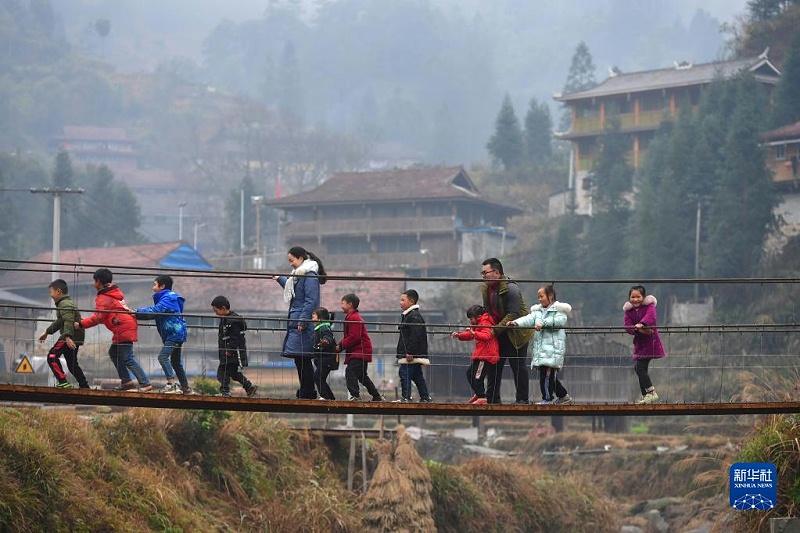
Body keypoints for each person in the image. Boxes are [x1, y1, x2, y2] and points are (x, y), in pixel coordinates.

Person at [77, 268, 152, 392]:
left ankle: (145, 383)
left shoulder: (104, 297)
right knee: (114, 353)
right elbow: (103, 316)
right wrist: (84, 322)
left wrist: (80, 324)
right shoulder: (112, 293)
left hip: (122, 327)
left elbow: (97, 318)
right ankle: (127, 382)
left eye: (94, 281)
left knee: (128, 357)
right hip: (123, 326)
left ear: (99, 282)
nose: (93, 284)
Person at [273, 246, 327, 400]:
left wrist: (303, 320)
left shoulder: (309, 276)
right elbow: (294, 290)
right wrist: (279, 279)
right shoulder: (299, 276)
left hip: (302, 323)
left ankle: (308, 391)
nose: (290, 264)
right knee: (300, 358)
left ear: (301, 259)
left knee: (303, 358)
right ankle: (306, 390)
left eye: (292, 260)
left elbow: (311, 301)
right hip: (297, 321)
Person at [480, 258, 534, 404]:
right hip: (499, 331)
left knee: (518, 365)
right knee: (494, 364)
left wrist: (495, 330)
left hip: (516, 331)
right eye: (482, 273)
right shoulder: (486, 289)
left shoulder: (511, 289)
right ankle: (493, 398)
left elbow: (513, 313)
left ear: (497, 273)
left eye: (485, 273)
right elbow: (487, 310)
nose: (483, 276)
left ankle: (522, 399)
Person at [508, 284, 573, 405]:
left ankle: (547, 399)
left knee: (546, 376)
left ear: (550, 295)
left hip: (553, 350)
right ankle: (563, 396)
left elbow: (559, 321)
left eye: (542, 296)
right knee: (549, 376)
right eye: (538, 297)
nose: (540, 299)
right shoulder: (537, 311)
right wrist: (516, 323)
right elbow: (528, 319)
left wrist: (543, 323)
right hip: (541, 350)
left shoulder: (559, 310)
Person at [129, 275, 191, 394]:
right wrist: (137, 314)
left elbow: (154, 311)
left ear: (162, 286)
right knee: (176, 362)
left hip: (174, 333)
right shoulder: (168, 297)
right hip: (177, 333)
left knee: (162, 357)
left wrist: (136, 312)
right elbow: (155, 312)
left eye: (154, 285)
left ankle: (172, 385)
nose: (153, 288)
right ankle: (185, 388)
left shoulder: (168, 298)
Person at [38, 279, 90, 389]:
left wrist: (67, 337)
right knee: (72, 364)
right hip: (74, 335)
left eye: (51, 292)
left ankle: (63, 381)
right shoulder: (65, 303)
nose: (50, 295)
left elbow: (68, 321)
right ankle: (84, 386)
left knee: (52, 356)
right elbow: (60, 321)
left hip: (70, 335)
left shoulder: (65, 304)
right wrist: (47, 332)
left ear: (58, 291)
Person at [336, 293, 383, 402]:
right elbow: (351, 337)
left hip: (359, 351)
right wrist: (341, 344)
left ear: (350, 305)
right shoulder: (352, 317)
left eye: (342, 303)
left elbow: (354, 337)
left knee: (350, 372)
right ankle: (376, 395)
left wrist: (341, 345)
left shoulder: (354, 318)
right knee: (362, 376)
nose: (341, 306)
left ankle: (355, 395)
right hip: (361, 350)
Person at [624, 285, 666, 405]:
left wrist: (641, 324)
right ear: (629, 298)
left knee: (640, 368)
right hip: (640, 343)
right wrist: (638, 330)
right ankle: (646, 395)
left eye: (638, 297)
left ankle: (651, 393)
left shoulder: (649, 306)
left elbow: (651, 318)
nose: (635, 299)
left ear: (643, 297)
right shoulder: (629, 311)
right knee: (640, 368)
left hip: (650, 342)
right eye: (633, 297)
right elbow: (627, 326)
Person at [451, 304, 499, 405]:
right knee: (469, 374)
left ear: (478, 317)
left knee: (478, 376)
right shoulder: (477, 325)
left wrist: (474, 334)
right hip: (480, 354)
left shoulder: (485, 323)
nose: (470, 321)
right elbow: (470, 334)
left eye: (471, 319)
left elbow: (487, 336)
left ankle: (482, 396)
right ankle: (478, 393)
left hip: (485, 355)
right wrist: (459, 335)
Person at [211, 295, 257, 397]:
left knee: (222, 373)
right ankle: (249, 387)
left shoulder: (232, 321)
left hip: (232, 353)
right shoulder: (226, 319)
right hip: (229, 352)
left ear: (223, 308)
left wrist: (229, 350)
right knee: (233, 373)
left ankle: (225, 391)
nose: (216, 313)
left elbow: (235, 338)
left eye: (216, 310)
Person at [394, 289, 432, 403]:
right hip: (413, 353)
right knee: (416, 375)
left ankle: (406, 397)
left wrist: (410, 352)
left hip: (410, 354)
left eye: (403, 300)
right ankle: (425, 397)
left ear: (411, 301)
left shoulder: (413, 316)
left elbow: (416, 336)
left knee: (404, 373)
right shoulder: (410, 315)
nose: (400, 302)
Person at [311, 307, 338, 400]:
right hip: (323, 359)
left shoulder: (324, 329)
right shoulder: (321, 328)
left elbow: (328, 338)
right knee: (320, 378)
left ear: (320, 319)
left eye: (313, 318)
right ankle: (330, 397)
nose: (312, 320)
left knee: (317, 377)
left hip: (326, 359)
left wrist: (326, 341)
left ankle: (325, 397)